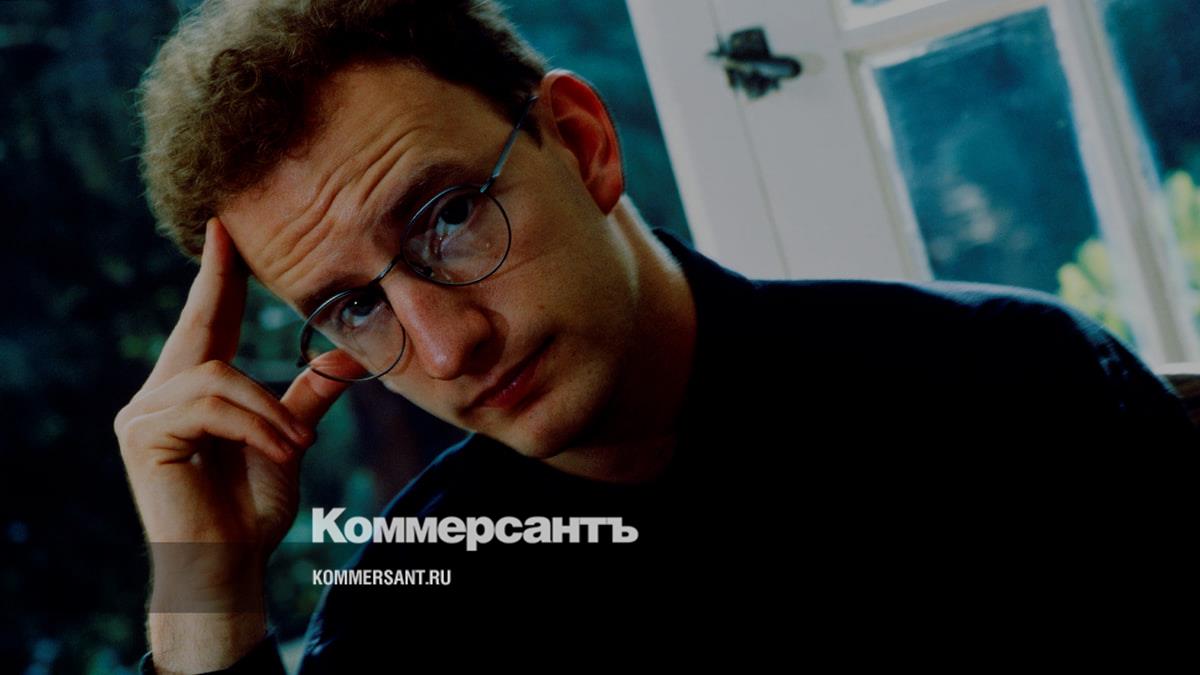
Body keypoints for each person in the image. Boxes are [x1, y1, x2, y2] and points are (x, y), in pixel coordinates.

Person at [116, 0, 1196, 672]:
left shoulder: (1015, 386)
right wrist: (204, 596)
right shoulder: (418, 595)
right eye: (355, 307)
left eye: (448, 218)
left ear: (582, 141)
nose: (445, 350)